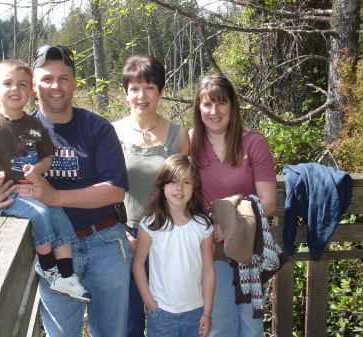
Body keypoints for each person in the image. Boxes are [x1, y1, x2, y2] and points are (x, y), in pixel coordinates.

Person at [0, 46, 131, 337]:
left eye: (64, 78)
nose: (55, 86)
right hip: (53, 257)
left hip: (105, 244)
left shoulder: (98, 128)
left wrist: (55, 197)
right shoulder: (17, 130)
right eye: (46, 79)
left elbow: (115, 191)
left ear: (74, 82)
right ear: (34, 85)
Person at [0, 59, 91, 303]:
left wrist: (37, 169)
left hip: (31, 188)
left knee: (58, 215)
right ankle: (47, 266)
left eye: (22, 84)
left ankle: (66, 275)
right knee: (41, 214)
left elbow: (48, 157)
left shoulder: (35, 124)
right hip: (6, 192)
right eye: (8, 83)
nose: (15, 89)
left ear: (31, 90)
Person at [189, 76, 277, 337]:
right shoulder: (190, 142)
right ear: (198, 108)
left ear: (232, 106)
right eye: (207, 105)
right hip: (208, 248)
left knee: (250, 325)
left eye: (221, 103)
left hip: (246, 249)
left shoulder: (254, 143)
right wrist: (211, 228)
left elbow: (269, 202)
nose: (214, 112)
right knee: (218, 324)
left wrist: (229, 228)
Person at [112, 54, 189, 337]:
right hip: (127, 236)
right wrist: (120, 230)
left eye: (149, 87)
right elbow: (108, 189)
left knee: (167, 314)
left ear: (161, 91)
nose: (141, 95)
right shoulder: (112, 132)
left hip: (166, 234)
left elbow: (185, 188)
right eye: (134, 88)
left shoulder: (178, 134)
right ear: (126, 92)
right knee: (129, 318)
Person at [132, 153, 215, 337]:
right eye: (172, 181)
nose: (179, 188)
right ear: (162, 185)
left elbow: (208, 270)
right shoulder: (151, 224)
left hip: (195, 313)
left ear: (195, 186)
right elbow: (138, 265)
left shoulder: (203, 226)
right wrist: (150, 304)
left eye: (186, 182)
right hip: (161, 313)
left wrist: (207, 313)